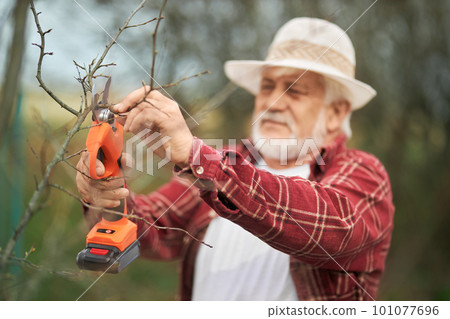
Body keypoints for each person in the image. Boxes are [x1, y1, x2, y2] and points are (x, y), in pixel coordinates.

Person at [76, 18, 394, 301]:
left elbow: (335, 227)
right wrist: (109, 194)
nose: (273, 102)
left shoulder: (363, 172)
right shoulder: (227, 164)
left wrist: (196, 156)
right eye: (267, 87)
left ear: (337, 112)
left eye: (295, 91)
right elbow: (153, 229)